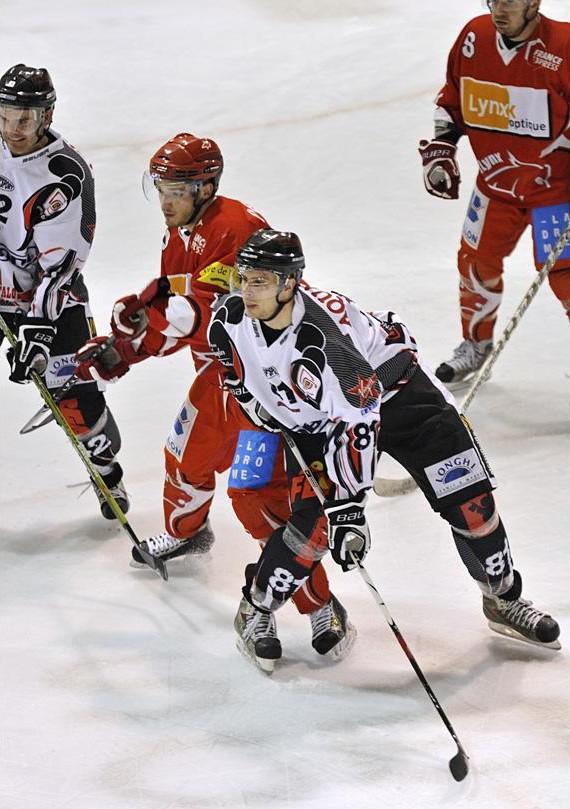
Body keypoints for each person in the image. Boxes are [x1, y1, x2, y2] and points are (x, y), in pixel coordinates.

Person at [208, 227, 561, 668]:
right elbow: (234, 370)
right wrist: (258, 406)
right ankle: (255, 609)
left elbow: (360, 418)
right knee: (313, 529)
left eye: (260, 280)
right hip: (322, 415)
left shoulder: (324, 341)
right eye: (244, 277)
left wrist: (350, 509)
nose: (247, 289)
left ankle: (503, 599)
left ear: (290, 283)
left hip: (402, 396)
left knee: (472, 505)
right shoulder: (228, 319)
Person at [75, 134, 354, 671]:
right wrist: (129, 338)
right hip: (219, 375)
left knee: (258, 498)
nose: (165, 199)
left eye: (175, 189)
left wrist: (132, 343)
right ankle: (188, 535)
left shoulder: (235, 228)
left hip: (265, 384)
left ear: (205, 186)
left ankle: (320, 604)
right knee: (186, 459)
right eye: (160, 188)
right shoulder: (183, 230)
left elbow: (201, 313)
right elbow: (180, 305)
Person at [418, 1, 570, 386]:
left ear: (534, 2)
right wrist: (442, 150)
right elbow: (452, 99)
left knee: (567, 277)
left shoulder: (565, 46)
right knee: (474, 263)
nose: (500, 9)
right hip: (496, 184)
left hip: (555, 194)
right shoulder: (474, 36)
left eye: (511, 1)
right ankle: (475, 344)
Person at [0, 63, 128, 517]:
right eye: (7, 114)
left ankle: (105, 468)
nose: (14, 128)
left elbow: (62, 268)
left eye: (26, 118)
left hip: (48, 297)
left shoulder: (66, 175)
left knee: (71, 394)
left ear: (47, 116)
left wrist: (37, 329)